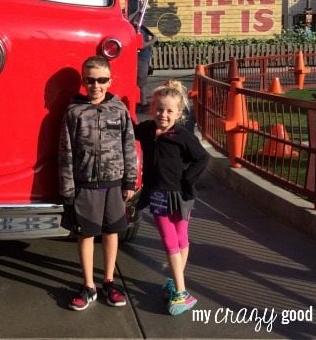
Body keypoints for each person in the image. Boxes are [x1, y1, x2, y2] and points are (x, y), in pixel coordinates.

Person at [59, 55, 137, 311]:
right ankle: (89, 285)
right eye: (90, 80)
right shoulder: (73, 112)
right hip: (85, 184)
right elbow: (66, 151)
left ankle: (109, 282)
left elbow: (129, 145)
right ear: (83, 81)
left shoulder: (119, 109)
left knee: (112, 231)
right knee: (87, 235)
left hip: (114, 183)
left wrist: (130, 180)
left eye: (102, 80)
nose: (96, 85)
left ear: (110, 80)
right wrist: (68, 187)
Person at [134, 80, 208, 316]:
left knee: (179, 239)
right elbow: (126, 130)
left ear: (178, 113)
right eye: (159, 109)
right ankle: (178, 284)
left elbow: (202, 158)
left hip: (181, 195)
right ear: (151, 108)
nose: (163, 115)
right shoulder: (146, 130)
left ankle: (181, 292)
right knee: (171, 240)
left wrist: (186, 180)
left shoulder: (183, 136)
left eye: (169, 111)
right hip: (158, 195)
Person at [137, 25, 157, 108]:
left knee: (143, 81)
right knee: (141, 82)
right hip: (140, 58)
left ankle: (143, 101)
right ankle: (142, 103)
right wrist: (153, 40)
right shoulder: (137, 27)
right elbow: (141, 45)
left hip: (144, 57)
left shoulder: (142, 27)